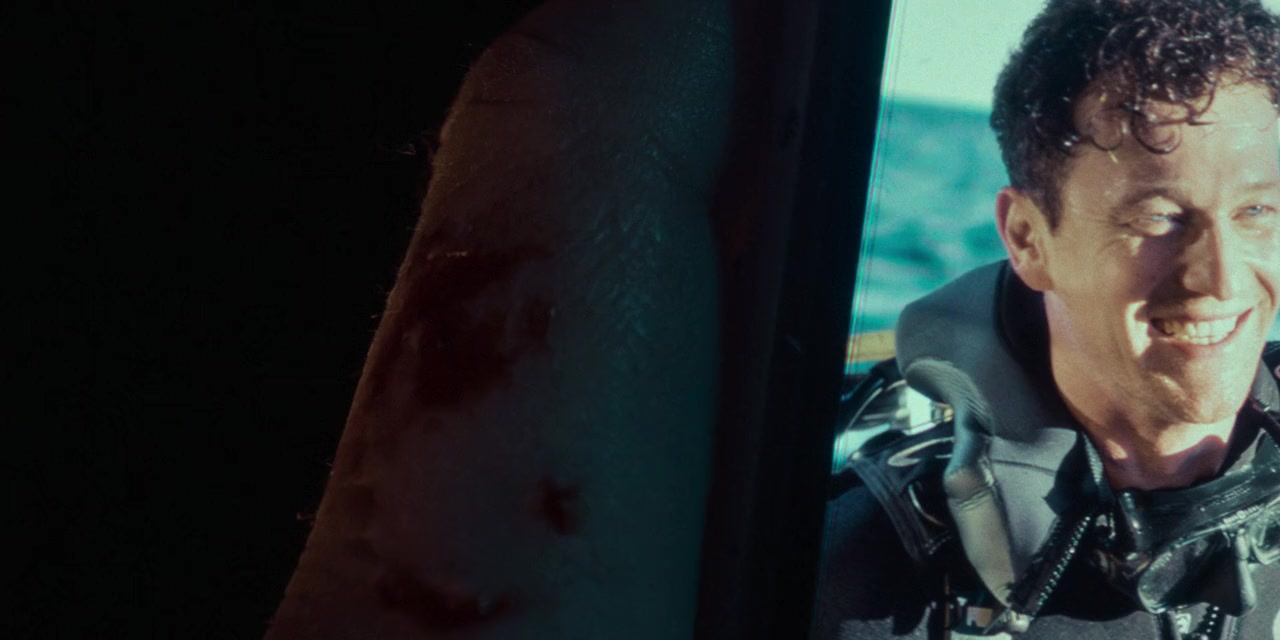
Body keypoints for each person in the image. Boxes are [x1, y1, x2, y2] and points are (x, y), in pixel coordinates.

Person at [815, 1, 1280, 638]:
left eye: (1256, 211)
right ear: (1028, 238)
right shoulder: (859, 585)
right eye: (1157, 217)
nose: (1221, 278)